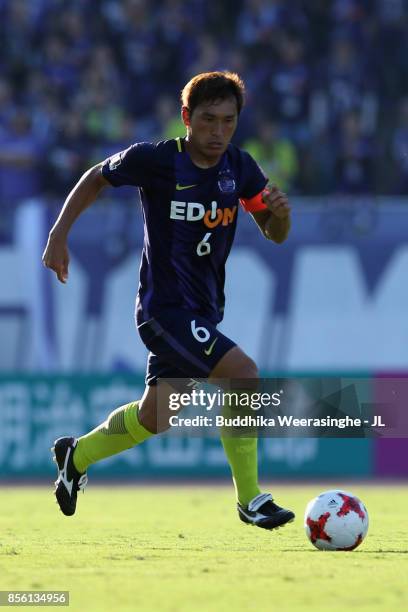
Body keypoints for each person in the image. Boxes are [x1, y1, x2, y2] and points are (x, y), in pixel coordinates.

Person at [42, 71, 295, 530]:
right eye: (208, 120)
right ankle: (251, 499)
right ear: (186, 118)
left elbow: (273, 234)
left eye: (228, 121)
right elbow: (95, 177)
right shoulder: (156, 160)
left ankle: (76, 456)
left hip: (204, 311)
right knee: (245, 375)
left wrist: (279, 216)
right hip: (163, 311)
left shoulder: (240, 168)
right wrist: (59, 235)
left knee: (156, 416)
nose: (218, 132)